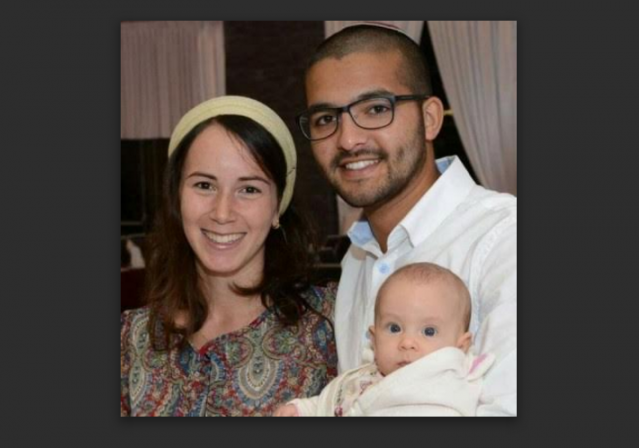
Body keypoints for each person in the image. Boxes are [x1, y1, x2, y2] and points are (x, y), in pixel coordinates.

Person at [296, 24, 516, 416]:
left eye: (376, 109)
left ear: (430, 118)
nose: (347, 139)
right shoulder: (357, 260)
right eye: (326, 119)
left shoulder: (506, 239)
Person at [120, 96, 337, 417]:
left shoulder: (330, 323)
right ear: (177, 197)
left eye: (249, 189)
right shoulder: (131, 337)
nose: (222, 213)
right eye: (204, 185)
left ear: (277, 206)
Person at [274, 262, 494, 416]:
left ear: (461, 346)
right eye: (394, 327)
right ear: (374, 337)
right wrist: (303, 410)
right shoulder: (367, 375)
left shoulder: (440, 394)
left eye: (429, 331)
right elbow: (336, 402)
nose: (407, 342)